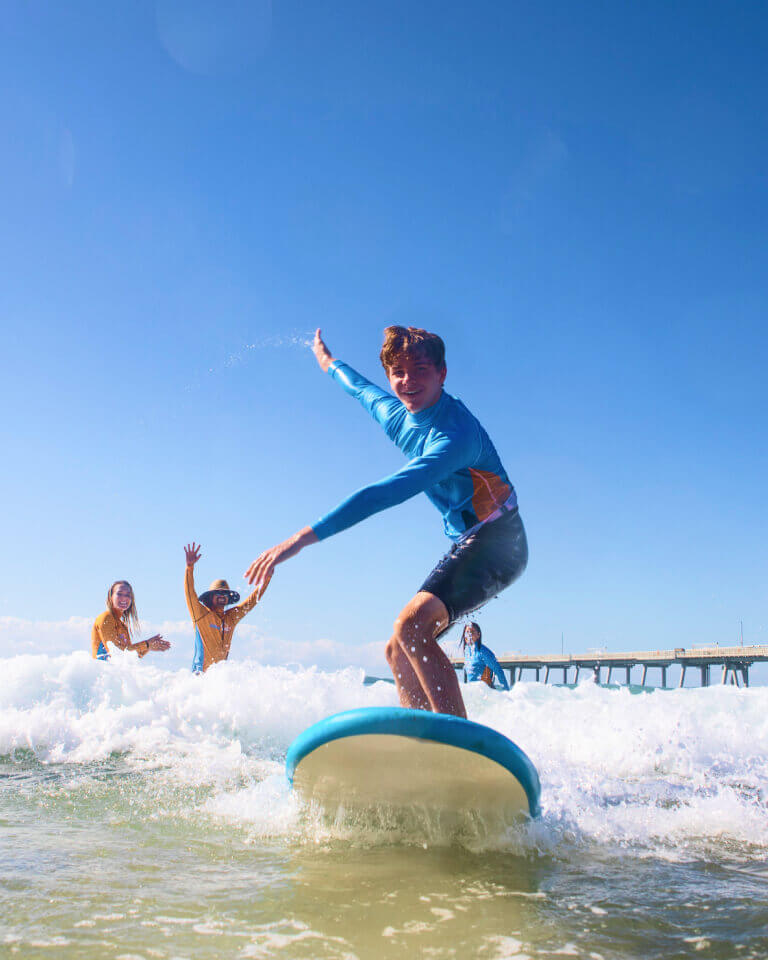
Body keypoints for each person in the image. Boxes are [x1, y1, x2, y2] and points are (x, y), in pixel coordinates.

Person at [244, 326, 528, 717]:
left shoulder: (454, 436)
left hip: (501, 541)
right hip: (470, 541)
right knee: (397, 647)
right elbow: (358, 388)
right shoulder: (398, 414)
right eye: (397, 372)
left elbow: (383, 493)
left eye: (420, 369)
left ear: (442, 373)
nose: (407, 381)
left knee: (411, 629)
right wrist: (327, 361)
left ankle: (459, 748)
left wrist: (295, 541)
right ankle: (420, 741)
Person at [184, 542, 266, 673]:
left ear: (228, 598)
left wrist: (266, 579)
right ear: (210, 597)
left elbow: (251, 602)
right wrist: (189, 567)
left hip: (218, 680)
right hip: (199, 678)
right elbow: (190, 593)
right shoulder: (200, 614)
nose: (222, 595)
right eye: (218, 593)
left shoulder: (231, 618)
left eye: (225, 593)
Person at [91, 581, 170, 660]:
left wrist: (149, 647)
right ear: (110, 597)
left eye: (128, 595)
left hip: (115, 671)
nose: (124, 597)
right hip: (103, 671)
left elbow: (130, 656)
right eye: (119, 593)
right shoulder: (105, 618)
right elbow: (117, 654)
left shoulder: (123, 626)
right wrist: (147, 644)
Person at [460, 622, 510, 691]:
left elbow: (499, 671)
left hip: (486, 693)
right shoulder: (467, 651)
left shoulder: (484, 652)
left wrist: (507, 692)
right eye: (467, 632)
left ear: (478, 635)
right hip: (474, 693)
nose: (469, 635)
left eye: (472, 632)